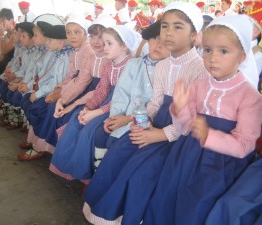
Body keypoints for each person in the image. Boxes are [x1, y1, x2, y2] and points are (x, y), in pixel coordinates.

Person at [83, 2, 207, 224]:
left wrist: (159, 135)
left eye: (178, 27)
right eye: (165, 26)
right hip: (154, 123)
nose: (168, 33)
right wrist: (141, 123)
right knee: (119, 152)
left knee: (143, 172)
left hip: (180, 136)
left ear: (194, 35)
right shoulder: (163, 66)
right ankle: (107, 214)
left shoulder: (200, 70)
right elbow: (156, 103)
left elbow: (193, 119)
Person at [142, 14, 262, 225]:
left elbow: (244, 145)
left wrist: (208, 135)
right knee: (168, 193)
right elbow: (185, 128)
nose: (213, 58)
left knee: (197, 205)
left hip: (220, 165)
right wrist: (180, 109)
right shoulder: (200, 85)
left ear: (242, 56)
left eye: (223, 51)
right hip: (186, 155)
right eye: (207, 50)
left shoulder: (250, 97)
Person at [50, 25, 140, 181]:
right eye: (104, 43)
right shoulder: (109, 64)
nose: (104, 47)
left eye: (109, 43)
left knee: (89, 130)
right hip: (107, 101)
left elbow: (123, 98)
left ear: (124, 45)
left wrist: (97, 112)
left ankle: (87, 174)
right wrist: (87, 108)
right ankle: (69, 167)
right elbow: (102, 90)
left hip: (122, 107)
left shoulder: (131, 65)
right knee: (77, 120)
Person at [20, 16, 115, 161]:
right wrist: (59, 91)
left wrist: (63, 98)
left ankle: (49, 148)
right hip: (77, 89)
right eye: (69, 32)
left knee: (55, 111)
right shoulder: (75, 52)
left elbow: (84, 83)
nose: (72, 36)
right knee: (48, 106)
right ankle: (40, 144)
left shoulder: (91, 53)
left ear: (84, 34)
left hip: (88, 93)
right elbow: (71, 76)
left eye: (77, 32)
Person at [92, 20, 170, 169]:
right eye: (154, 38)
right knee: (101, 133)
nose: (158, 45)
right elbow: (122, 93)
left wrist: (128, 120)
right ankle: (99, 170)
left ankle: (110, 177)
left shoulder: (169, 70)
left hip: (148, 123)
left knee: (124, 146)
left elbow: (157, 106)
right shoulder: (134, 64)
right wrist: (114, 118)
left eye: (164, 41)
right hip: (124, 115)